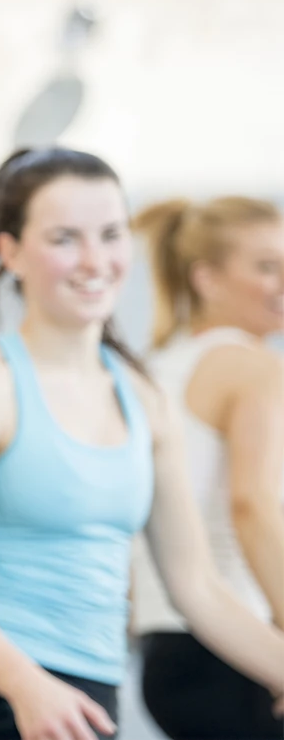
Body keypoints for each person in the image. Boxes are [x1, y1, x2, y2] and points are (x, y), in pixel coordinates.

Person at [0, 147, 284, 740]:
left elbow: (197, 588)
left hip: (94, 702)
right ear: (11, 252)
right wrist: (25, 685)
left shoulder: (142, 395)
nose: (94, 261)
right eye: (64, 239)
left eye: (111, 235)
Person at [128, 196, 284, 739]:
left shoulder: (153, 367)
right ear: (206, 279)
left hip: (166, 653)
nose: (282, 280)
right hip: (238, 648)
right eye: (266, 266)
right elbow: (253, 507)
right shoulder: (252, 368)